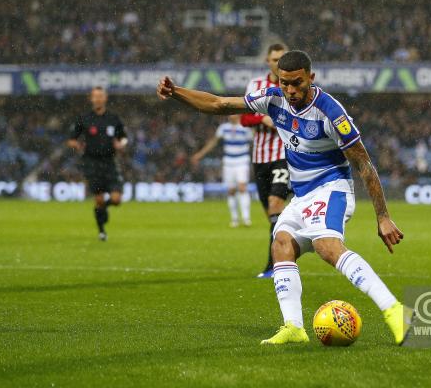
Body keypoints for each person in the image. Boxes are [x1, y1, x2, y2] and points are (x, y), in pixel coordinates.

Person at [156, 50, 413, 345]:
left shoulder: (331, 112)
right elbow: (219, 104)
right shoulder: (273, 98)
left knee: (327, 246)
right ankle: (294, 327)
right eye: (284, 83)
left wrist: (382, 216)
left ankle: (395, 310)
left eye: (297, 83)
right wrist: (175, 92)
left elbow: (364, 164)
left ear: (311, 78)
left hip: (332, 188)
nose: (290, 90)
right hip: (302, 195)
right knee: (281, 244)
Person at [241, 43, 290, 278]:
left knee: (275, 206)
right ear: (267, 61)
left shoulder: (293, 86)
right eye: (274, 59)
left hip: (284, 156)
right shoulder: (256, 86)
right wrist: (262, 119)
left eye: (282, 58)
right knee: (273, 216)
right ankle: (289, 245)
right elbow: (244, 118)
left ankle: (274, 266)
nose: (278, 63)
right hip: (260, 157)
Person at [67, 87, 128, 241]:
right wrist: (77, 145)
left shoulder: (113, 119)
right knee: (99, 199)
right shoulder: (84, 118)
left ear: (105, 98)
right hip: (92, 163)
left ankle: (103, 210)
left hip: (110, 162)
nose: (98, 99)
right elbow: (71, 139)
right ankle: (102, 231)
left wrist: (121, 144)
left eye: (101, 96)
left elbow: (124, 137)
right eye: (96, 96)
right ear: (91, 99)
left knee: (116, 199)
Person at [192, 115, 253, 227]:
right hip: (228, 162)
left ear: (238, 114)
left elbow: (254, 142)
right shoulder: (223, 128)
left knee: (242, 188)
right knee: (231, 190)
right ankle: (234, 219)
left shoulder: (246, 128)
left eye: (232, 113)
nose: (230, 116)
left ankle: (246, 218)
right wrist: (200, 154)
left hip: (242, 160)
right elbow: (213, 142)